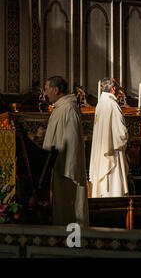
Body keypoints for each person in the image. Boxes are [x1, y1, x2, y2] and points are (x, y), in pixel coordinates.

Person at [42, 76, 89, 227]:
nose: (45, 93)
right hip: (58, 168)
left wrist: (70, 170)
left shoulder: (69, 108)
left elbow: (73, 140)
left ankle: (73, 247)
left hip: (67, 172)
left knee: (70, 212)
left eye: (46, 89)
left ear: (56, 90)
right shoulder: (61, 108)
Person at [89, 78, 129, 198]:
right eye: (117, 90)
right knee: (114, 185)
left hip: (102, 150)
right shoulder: (112, 104)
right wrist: (126, 137)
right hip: (113, 152)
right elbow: (121, 134)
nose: (119, 93)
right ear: (113, 89)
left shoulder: (100, 104)